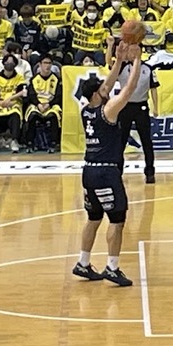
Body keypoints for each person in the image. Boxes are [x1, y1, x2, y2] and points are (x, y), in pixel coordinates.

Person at [72, 41, 143, 286]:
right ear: (96, 94)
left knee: (93, 218)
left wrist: (119, 60)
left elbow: (109, 85)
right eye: (103, 89)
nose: (107, 89)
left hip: (88, 171)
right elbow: (129, 89)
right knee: (117, 219)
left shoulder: (86, 109)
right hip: (106, 172)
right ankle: (112, 268)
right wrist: (136, 60)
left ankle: (83, 263)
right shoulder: (108, 111)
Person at [108, 40, 159, 184]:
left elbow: (153, 88)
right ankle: (118, 171)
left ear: (141, 52)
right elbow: (109, 63)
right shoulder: (123, 66)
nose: (133, 53)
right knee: (121, 140)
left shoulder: (148, 69)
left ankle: (150, 172)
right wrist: (110, 46)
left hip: (141, 107)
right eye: (130, 50)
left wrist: (156, 107)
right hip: (124, 107)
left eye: (136, 50)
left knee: (146, 141)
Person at [0, 54, 27, 153]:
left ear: (15, 64)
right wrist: (1, 103)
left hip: (13, 103)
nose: (9, 64)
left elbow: (23, 92)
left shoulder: (19, 77)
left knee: (16, 114)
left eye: (12, 62)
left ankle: (14, 140)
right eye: (7, 62)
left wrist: (10, 99)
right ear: (3, 63)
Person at [24, 54, 62, 152]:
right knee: (32, 115)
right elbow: (31, 95)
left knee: (54, 115)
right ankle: (30, 143)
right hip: (37, 104)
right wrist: (38, 104)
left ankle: (53, 143)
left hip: (51, 104)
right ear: (40, 64)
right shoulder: (34, 79)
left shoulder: (56, 79)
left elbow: (58, 96)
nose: (47, 66)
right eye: (45, 63)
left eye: (49, 63)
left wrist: (49, 104)